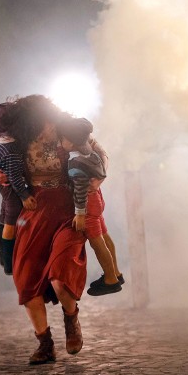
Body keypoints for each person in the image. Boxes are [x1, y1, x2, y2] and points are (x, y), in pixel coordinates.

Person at [0, 95, 87, 365]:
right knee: (26, 281)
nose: (47, 126)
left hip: (66, 211)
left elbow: (97, 152)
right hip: (32, 212)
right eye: (41, 122)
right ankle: (45, 344)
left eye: (49, 119)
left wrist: (96, 179)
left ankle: (72, 320)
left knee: (60, 275)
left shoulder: (67, 132)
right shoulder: (17, 140)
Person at [57, 117, 125, 296]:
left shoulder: (75, 162)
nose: (61, 141)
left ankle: (110, 280)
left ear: (70, 142)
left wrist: (80, 213)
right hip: (97, 198)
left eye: (62, 138)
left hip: (87, 203)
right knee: (103, 233)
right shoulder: (88, 150)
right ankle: (116, 272)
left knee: (97, 242)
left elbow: (79, 190)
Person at [0, 100, 37, 275]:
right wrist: (24, 196)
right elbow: (15, 177)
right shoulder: (11, 150)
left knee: (4, 214)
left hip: (5, 187)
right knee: (11, 219)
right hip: (12, 187)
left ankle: (3, 253)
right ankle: (8, 259)